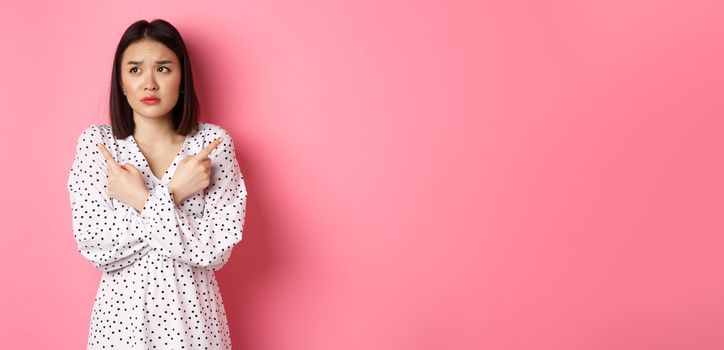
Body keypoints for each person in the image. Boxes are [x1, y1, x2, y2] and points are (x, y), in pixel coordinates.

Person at [66, 19, 248, 349]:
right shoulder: (99, 146)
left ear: (182, 78)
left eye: (163, 69)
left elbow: (216, 250)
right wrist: (174, 193)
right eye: (135, 70)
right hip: (120, 324)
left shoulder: (212, 144)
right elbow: (98, 246)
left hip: (194, 320)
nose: (149, 83)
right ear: (121, 81)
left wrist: (141, 199)